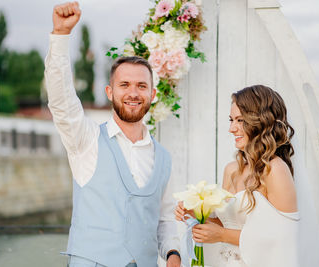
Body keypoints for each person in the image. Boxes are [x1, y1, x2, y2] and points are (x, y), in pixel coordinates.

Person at [45, 2, 181, 267]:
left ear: (152, 96)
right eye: (124, 85)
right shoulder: (85, 141)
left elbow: (165, 220)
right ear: (110, 92)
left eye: (142, 86)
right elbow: (61, 101)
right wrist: (60, 36)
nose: (133, 93)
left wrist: (173, 254)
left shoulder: (163, 159)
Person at [175, 85, 301, 266]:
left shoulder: (276, 170)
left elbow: (282, 238)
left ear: (261, 121)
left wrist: (222, 235)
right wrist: (193, 213)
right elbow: (226, 223)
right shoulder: (232, 170)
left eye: (240, 120)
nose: (231, 128)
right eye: (231, 120)